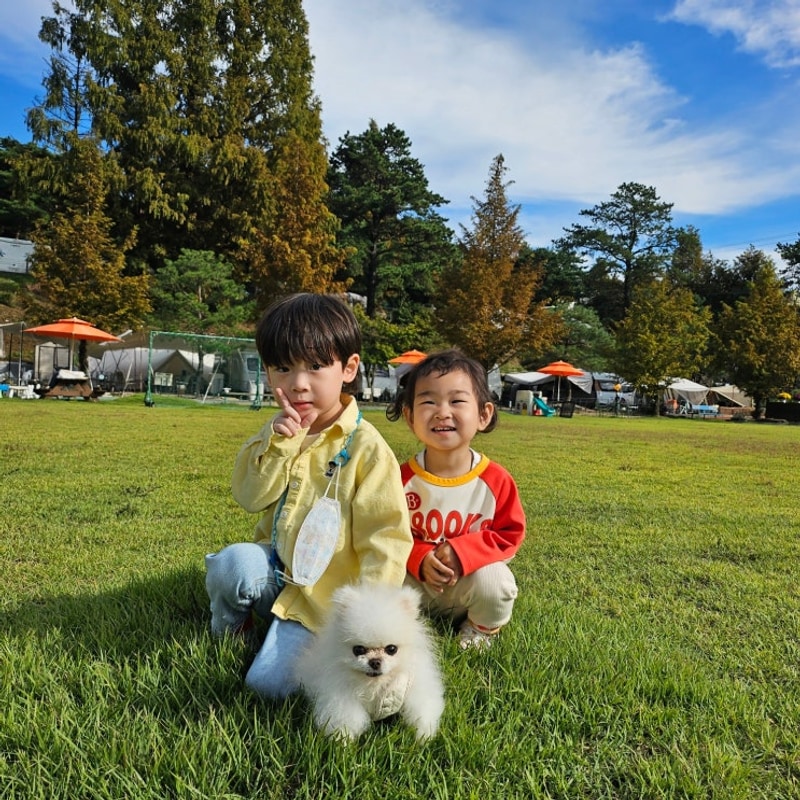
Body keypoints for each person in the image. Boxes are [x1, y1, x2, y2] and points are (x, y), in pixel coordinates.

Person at [205, 293, 412, 699]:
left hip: (325, 602)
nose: (298, 384)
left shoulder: (368, 450)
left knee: (269, 687)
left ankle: (297, 644)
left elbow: (385, 538)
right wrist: (280, 445)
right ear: (268, 373)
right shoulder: (277, 431)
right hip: (275, 574)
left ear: (348, 368)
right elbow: (250, 497)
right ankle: (235, 630)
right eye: (283, 368)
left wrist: (370, 624)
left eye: (316, 367)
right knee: (234, 565)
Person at [386, 349, 526, 650]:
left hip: (467, 589)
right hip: (415, 585)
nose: (442, 411)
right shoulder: (399, 479)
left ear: (483, 414)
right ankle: (399, 626)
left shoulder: (495, 480)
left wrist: (463, 552)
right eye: (428, 401)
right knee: (377, 572)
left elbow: (509, 536)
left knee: (497, 581)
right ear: (410, 417)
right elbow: (386, 535)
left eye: (457, 401)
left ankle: (479, 628)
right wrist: (419, 556)